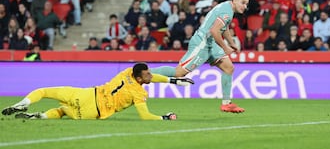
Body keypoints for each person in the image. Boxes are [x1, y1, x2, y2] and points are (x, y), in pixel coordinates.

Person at [151, 0, 250, 113]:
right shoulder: (227, 11)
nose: (245, 7)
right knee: (179, 73)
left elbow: (224, 27)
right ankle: (143, 72)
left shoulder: (227, 7)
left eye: (246, 4)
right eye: (243, 3)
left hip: (211, 43)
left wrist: (232, 43)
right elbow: (215, 31)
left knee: (229, 68)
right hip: (202, 43)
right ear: (234, 0)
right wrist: (225, 47)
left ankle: (227, 103)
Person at [2, 63, 194, 120]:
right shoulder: (139, 93)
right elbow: (145, 116)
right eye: (148, 74)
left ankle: (25, 103)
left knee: (44, 91)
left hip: (86, 95)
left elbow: (154, 77)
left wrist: (172, 80)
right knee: (62, 112)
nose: (151, 76)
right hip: (90, 113)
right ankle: (40, 117)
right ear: (139, 79)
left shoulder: (128, 71)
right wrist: (165, 118)